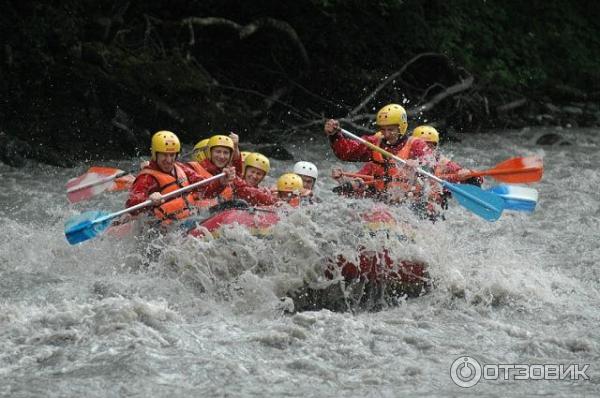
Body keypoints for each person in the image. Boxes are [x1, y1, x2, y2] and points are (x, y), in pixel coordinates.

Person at [326, 104, 431, 203]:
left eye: (391, 129)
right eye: (383, 129)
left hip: (407, 200)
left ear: (401, 127)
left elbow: (430, 160)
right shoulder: (374, 143)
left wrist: (417, 162)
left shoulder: (415, 144)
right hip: (379, 197)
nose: (387, 134)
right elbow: (347, 152)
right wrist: (335, 136)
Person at [126, 131, 235, 223]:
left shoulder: (182, 168)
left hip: (188, 221)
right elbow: (131, 205)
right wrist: (148, 200)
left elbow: (205, 189)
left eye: (172, 155)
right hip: (162, 230)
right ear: (155, 154)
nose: (169, 160)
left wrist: (221, 182)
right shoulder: (146, 178)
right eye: (164, 155)